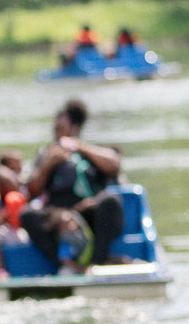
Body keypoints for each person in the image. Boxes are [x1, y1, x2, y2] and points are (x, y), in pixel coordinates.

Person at [23, 99, 127, 268]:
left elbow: (114, 165)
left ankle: (96, 262)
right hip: (59, 217)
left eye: (62, 129)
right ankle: (65, 265)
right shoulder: (46, 155)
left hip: (89, 213)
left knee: (111, 203)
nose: (58, 135)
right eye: (56, 130)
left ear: (76, 128)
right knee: (27, 215)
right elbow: (31, 191)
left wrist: (79, 147)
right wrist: (48, 164)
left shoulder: (89, 151)